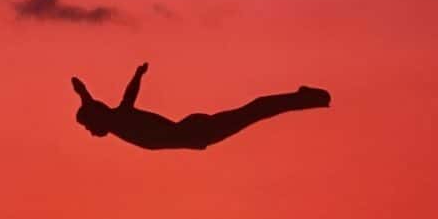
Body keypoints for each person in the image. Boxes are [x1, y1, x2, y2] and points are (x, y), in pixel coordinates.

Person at [71, 63, 330, 150]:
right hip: (194, 131)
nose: (90, 132)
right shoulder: (118, 120)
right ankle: (302, 98)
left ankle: (304, 98)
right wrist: (82, 93)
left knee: (255, 109)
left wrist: (83, 94)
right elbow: (98, 106)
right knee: (255, 110)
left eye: (87, 127)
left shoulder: (119, 121)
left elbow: (103, 106)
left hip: (195, 132)